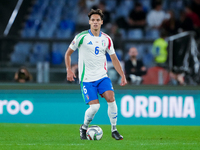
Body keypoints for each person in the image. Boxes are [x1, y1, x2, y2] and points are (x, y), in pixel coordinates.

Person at [65, 9, 127, 140]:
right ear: (89, 22)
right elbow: (68, 54)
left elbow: (114, 58)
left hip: (102, 76)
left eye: (97, 20)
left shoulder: (107, 39)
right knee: (95, 107)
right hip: (87, 79)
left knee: (111, 99)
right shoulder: (81, 37)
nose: (95, 22)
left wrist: (122, 74)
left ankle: (114, 129)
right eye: (93, 20)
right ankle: (84, 127)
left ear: (102, 22)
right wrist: (69, 70)